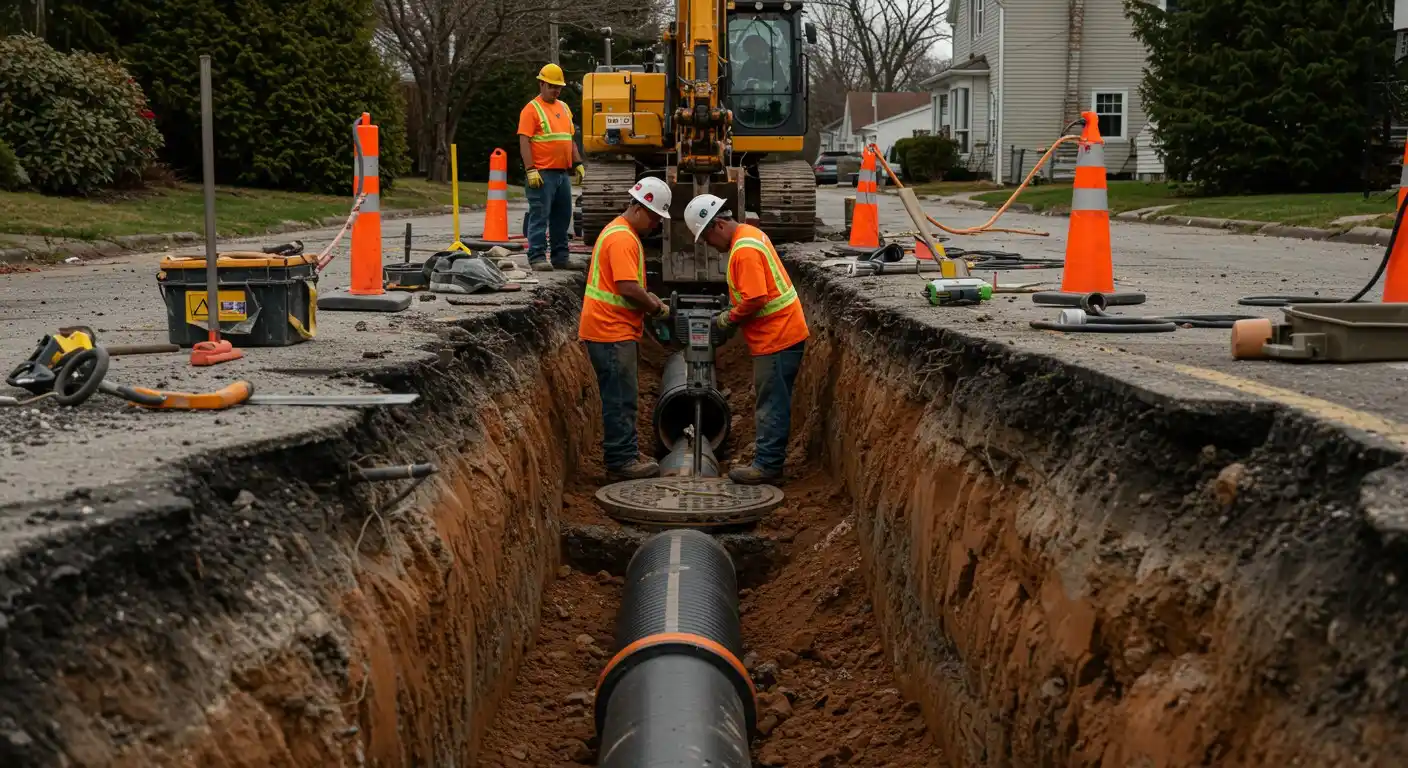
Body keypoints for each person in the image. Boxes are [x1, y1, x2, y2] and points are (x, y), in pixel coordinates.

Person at [683, 193, 808, 485]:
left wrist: (728, 319)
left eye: (705, 239)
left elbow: (755, 297)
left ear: (718, 226)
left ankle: (768, 466)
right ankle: (768, 460)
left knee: (771, 403)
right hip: (780, 334)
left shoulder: (743, 250)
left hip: (777, 337)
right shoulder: (751, 236)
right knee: (771, 399)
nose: (708, 246)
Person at [579, 177, 674, 480]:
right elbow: (627, 287)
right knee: (620, 398)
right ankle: (621, 461)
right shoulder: (622, 238)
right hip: (610, 331)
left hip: (612, 329)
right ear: (639, 207)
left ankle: (627, 450)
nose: (656, 224)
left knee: (624, 396)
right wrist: (656, 307)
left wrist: (649, 298)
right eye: (655, 217)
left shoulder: (620, 232)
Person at [518, 63, 587, 273]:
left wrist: (577, 163)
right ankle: (537, 256)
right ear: (541, 84)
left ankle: (561, 256)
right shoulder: (531, 109)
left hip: (561, 173)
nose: (556, 90)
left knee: (562, 216)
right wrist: (530, 169)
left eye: (559, 87)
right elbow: (524, 140)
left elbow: (569, 138)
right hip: (542, 173)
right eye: (551, 86)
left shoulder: (564, 108)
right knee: (540, 215)